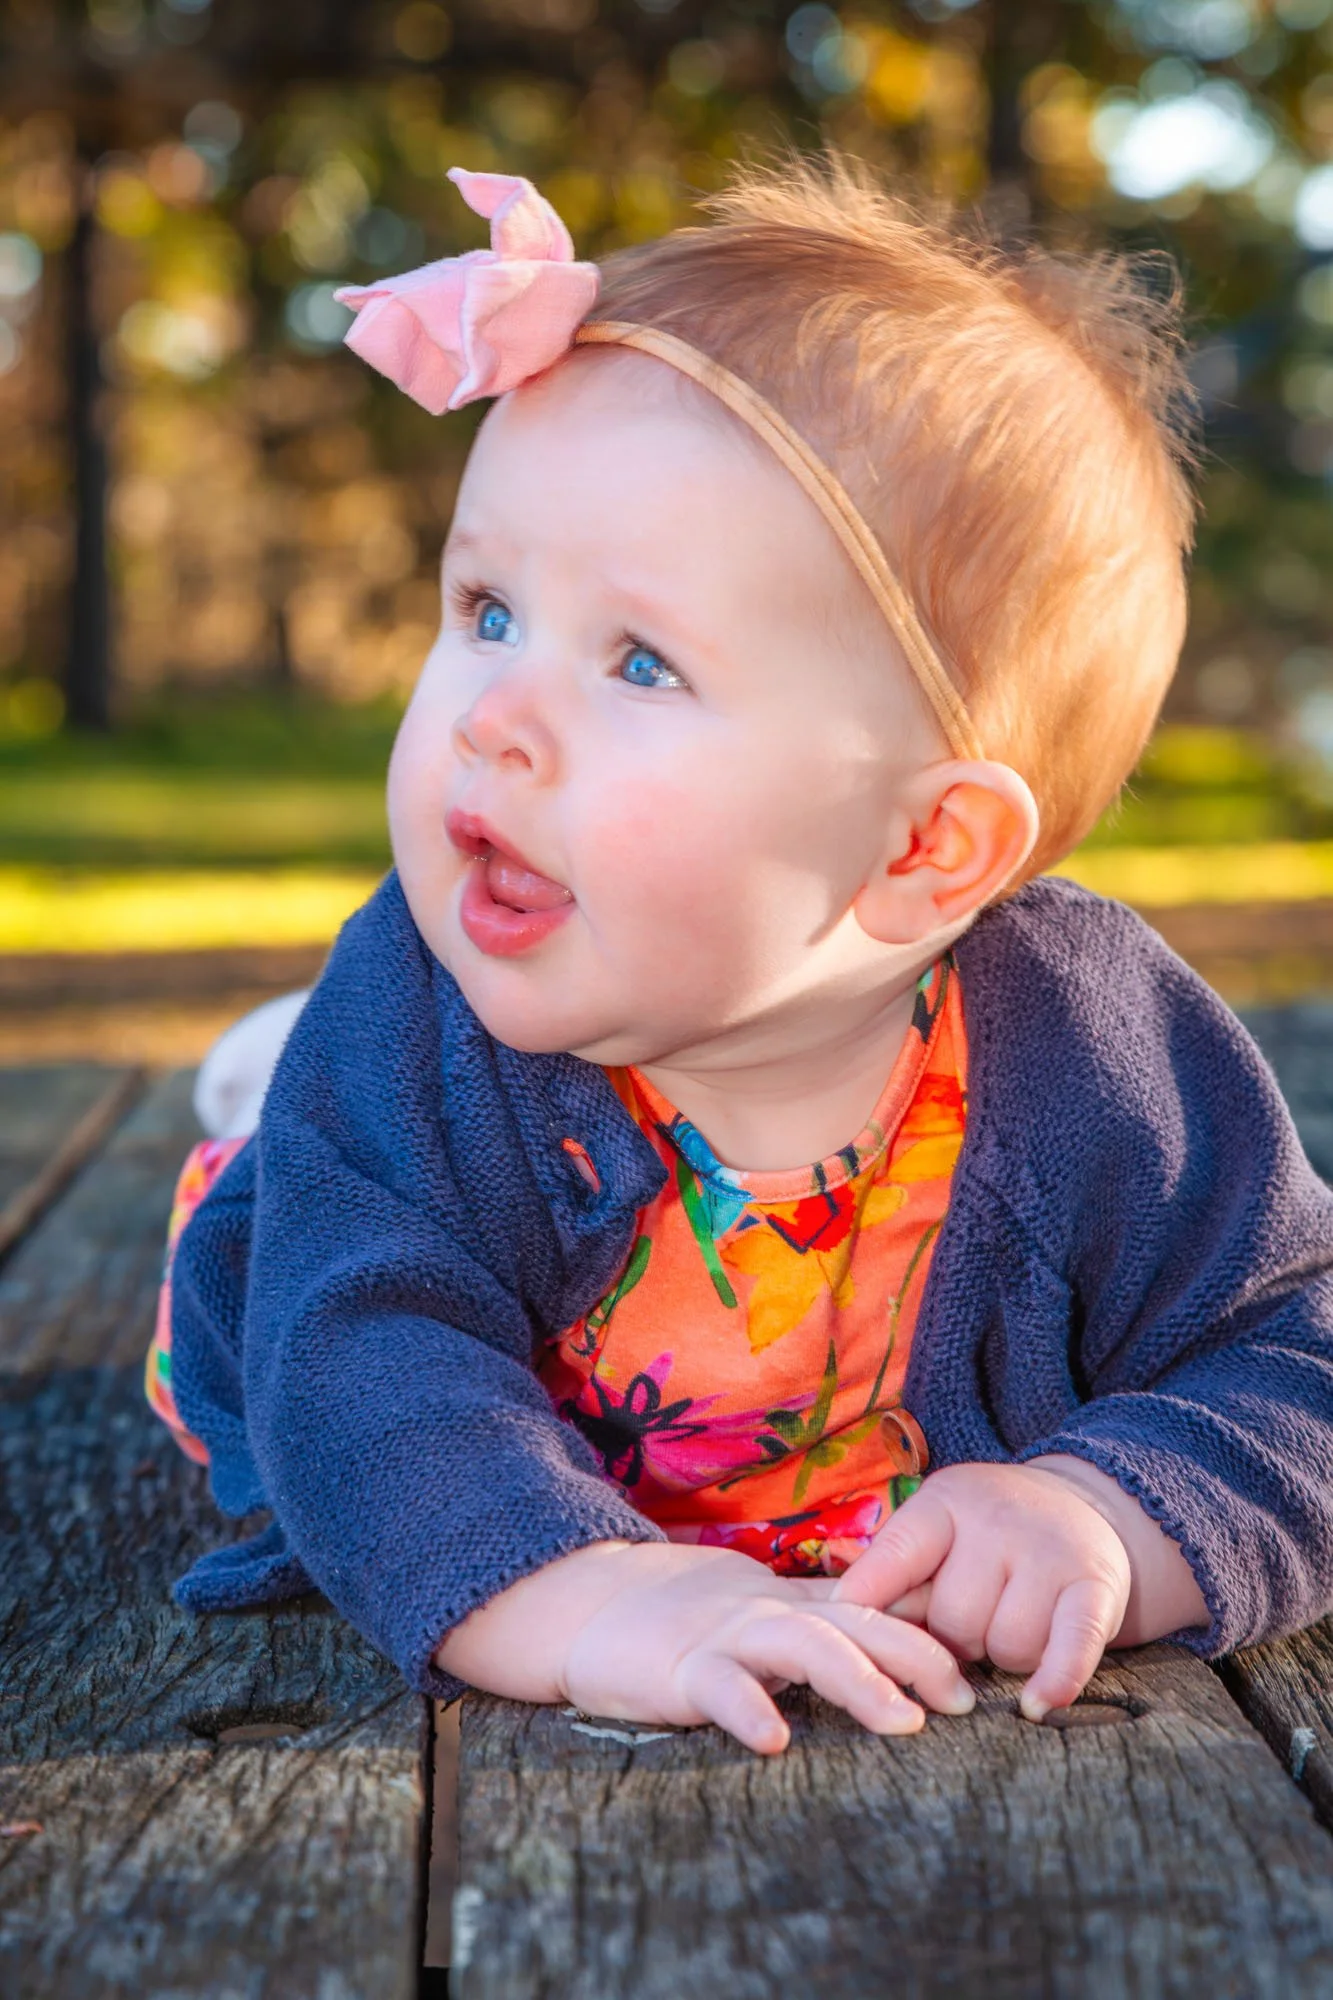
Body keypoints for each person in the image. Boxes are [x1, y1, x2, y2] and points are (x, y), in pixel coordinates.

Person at [146, 155, 1333, 1757]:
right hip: (311, 1258)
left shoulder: (1101, 1059)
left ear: (926, 852)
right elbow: (358, 1374)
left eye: (641, 662)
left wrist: (1111, 1511)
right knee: (279, 1210)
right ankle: (272, 1089)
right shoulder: (418, 1025)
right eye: (486, 608)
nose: (492, 714)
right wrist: (596, 1597)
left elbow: (1296, 1347)